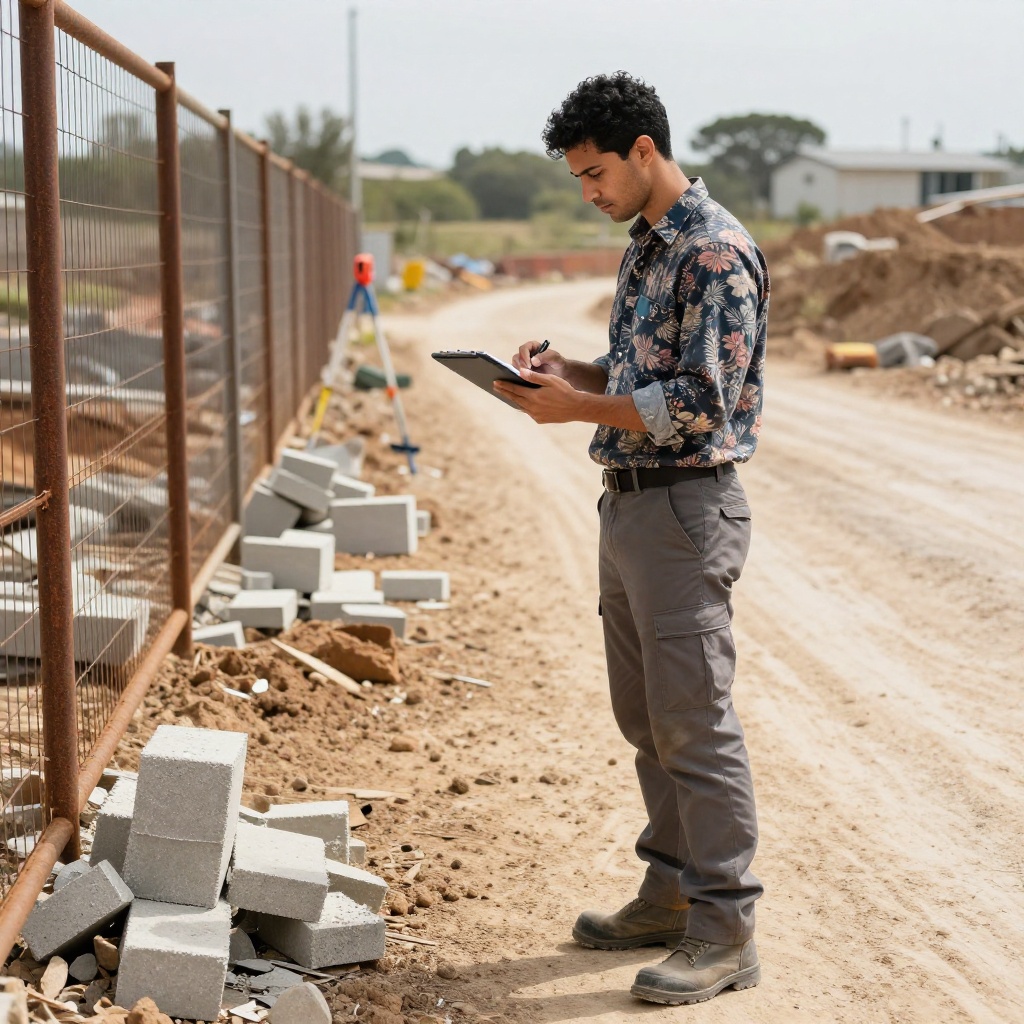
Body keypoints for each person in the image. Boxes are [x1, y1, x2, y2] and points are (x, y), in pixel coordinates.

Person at [493, 72, 769, 1006]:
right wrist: (570, 375)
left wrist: (577, 410)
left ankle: (725, 931)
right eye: (577, 177)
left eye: (596, 172)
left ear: (644, 151)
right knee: (647, 717)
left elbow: (701, 402)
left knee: (694, 721)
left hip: (685, 510)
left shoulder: (713, 252)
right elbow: (640, 371)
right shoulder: (647, 247)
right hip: (629, 507)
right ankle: (669, 894)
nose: (588, 192)